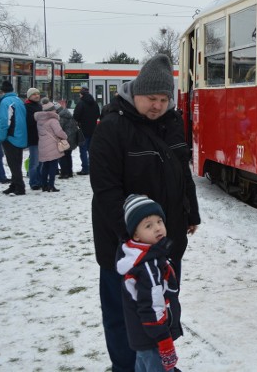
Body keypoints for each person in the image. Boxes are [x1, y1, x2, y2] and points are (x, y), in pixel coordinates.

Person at [90, 54, 200, 372]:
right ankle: (126, 366)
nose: (157, 105)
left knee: (161, 306)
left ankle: (154, 364)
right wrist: (132, 236)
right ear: (136, 93)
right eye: (152, 98)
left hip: (166, 239)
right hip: (123, 244)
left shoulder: (173, 123)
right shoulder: (112, 126)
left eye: (164, 99)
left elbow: (182, 171)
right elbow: (105, 189)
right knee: (123, 311)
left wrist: (191, 213)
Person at [116, 194, 182, 372]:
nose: (158, 228)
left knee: (142, 365)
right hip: (153, 338)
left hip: (140, 336)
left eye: (160, 221)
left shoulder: (138, 255)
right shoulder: (148, 266)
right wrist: (164, 341)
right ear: (135, 235)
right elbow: (152, 307)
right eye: (148, 225)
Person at [0, 80, 28, 196]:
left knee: (13, 164)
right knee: (17, 162)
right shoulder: (18, 100)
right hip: (20, 135)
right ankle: (14, 185)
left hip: (11, 136)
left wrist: (2, 136)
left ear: (2, 91)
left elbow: (4, 121)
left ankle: (20, 187)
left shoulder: (5, 102)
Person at [35, 98, 67, 193]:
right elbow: (59, 132)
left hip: (43, 145)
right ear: (52, 110)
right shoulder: (53, 120)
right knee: (53, 166)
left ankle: (44, 185)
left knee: (45, 166)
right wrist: (65, 136)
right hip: (52, 145)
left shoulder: (39, 120)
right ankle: (51, 185)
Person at [73, 86, 99, 176]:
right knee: (91, 149)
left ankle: (85, 168)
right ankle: (92, 167)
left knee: (83, 150)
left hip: (83, 130)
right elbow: (98, 114)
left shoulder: (81, 103)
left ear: (81, 94)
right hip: (93, 129)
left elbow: (76, 116)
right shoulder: (95, 103)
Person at [24, 87, 42, 190]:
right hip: (33, 137)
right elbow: (29, 121)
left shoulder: (39, 106)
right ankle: (33, 182)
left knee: (40, 161)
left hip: (41, 137)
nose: (37, 95)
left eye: (38, 94)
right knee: (34, 161)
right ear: (29, 96)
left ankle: (39, 180)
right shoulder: (26, 107)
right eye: (34, 94)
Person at [56, 104, 79, 179]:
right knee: (68, 156)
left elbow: (59, 128)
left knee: (62, 156)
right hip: (72, 138)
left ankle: (64, 173)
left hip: (65, 139)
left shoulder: (61, 117)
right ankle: (69, 172)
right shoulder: (69, 115)